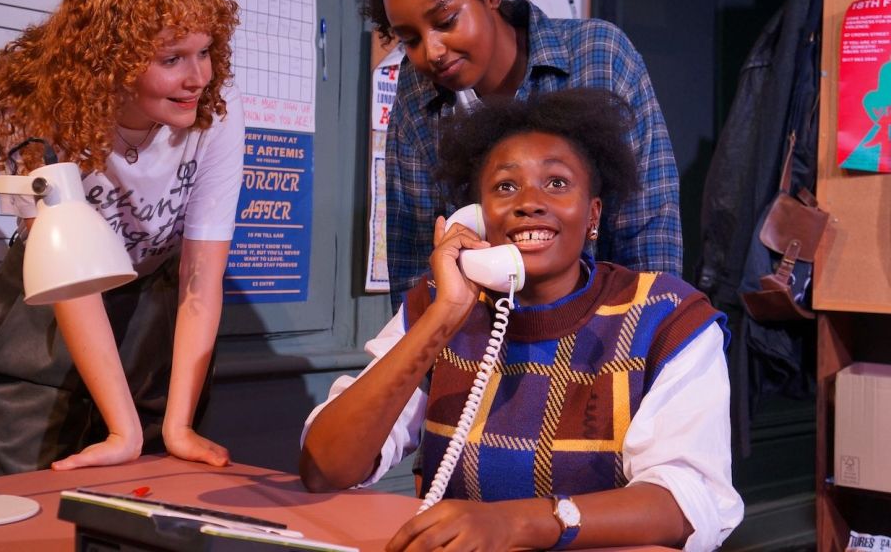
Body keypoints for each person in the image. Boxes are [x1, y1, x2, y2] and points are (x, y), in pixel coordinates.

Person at [300, 88, 742, 551]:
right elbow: (326, 467)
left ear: (593, 214)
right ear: (477, 217)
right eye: (505, 186)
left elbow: (688, 502)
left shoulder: (667, 315)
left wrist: (515, 523)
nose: (528, 201)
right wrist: (444, 316)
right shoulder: (439, 305)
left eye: (556, 183)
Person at [0, 0, 244, 477]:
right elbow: (74, 282)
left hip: (153, 313)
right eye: (171, 59)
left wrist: (176, 426)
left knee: (145, 499)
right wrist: (123, 429)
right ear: (109, 60)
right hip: (48, 308)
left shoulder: (215, 107)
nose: (198, 77)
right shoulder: (39, 107)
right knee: (31, 506)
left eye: (204, 52)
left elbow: (201, 277)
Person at [349, 0, 682, 309]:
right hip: (483, 343)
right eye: (410, 39)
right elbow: (415, 255)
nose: (432, 51)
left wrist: (647, 349)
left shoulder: (601, 58)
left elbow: (648, 234)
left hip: (603, 340)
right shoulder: (417, 93)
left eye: (446, 21)